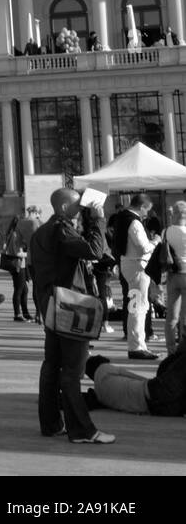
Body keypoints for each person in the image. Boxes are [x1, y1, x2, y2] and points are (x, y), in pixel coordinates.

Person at [32, 187, 113, 444]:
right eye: (78, 205)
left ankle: (51, 424)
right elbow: (95, 251)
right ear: (65, 208)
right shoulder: (61, 229)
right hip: (70, 306)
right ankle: (82, 431)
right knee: (72, 370)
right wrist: (97, 219)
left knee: (51, 365)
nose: (82, 209)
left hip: (50, 304)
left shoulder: (40, 232)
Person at [82, 351, 186, 415]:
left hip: (153, 408)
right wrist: (154, 381)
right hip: (152, 390)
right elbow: (131, 375)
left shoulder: (99, 395)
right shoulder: (103, 369)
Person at [120, 194, 160, 360]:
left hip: (128, 263)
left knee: (136, 306)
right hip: (138, 266)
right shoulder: (134, 222)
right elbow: (144, 247)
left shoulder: (122, 217)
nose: (147, 214)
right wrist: (156, 241)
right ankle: (137, 346)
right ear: (142, 206)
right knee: (139, 307)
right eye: (147, 210)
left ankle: (137, 344)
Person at [164, 201, 186, 356]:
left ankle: (171, 350)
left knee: (172, 316)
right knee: (185, 316)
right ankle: (184, 350)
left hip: (172, 275)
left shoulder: (166, 231)